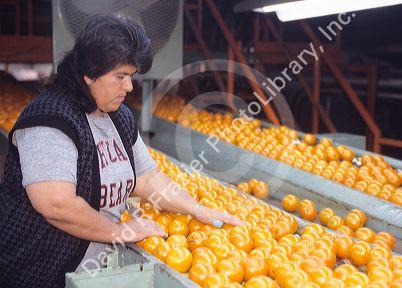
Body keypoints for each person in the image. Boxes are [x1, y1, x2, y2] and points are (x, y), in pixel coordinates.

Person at [0, 14, 243, 288]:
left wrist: (197, 209)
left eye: (131, 75)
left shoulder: (118, 116)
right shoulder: (49, 119)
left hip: (92, 275)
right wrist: (121, 231)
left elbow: (148, 179)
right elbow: (56, 205)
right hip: (39, 274)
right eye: (120, 76)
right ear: (89, 74)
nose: (129, 86)